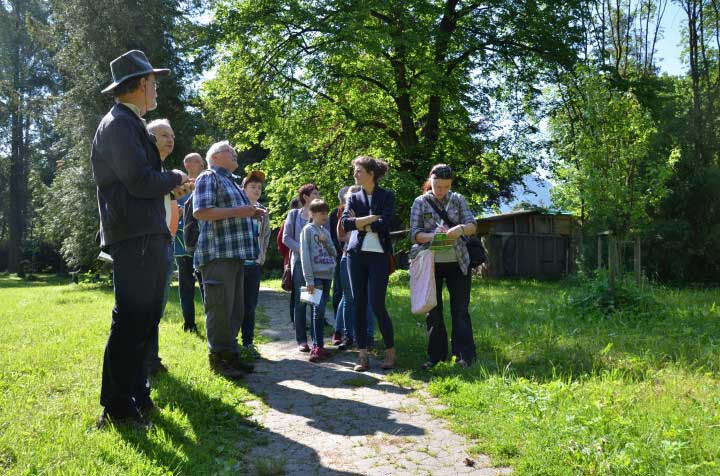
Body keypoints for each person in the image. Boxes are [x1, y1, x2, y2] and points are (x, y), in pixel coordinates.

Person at [91, 50, 190, 428]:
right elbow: (138, 181)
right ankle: (116, 408)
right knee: (131, 319)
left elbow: (142, 182)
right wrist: (175, 179)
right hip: (134, 235)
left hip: (146, 232)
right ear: (141, 85)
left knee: (144, 321)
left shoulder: (129, 123)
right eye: (153, 83)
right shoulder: (118, 123)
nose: (156, 91)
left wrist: (170, 190)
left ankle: (137, 395)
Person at [193, 141, 265, 379]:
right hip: (217, 255)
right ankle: (219, 359)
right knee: (220, 310)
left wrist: (252, 212)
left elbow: (234, 214)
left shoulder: (231, 182)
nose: (235, 154)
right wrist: (240, 211)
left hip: (235, 257)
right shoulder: (208, 176)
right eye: (230, 151)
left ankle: (231, 356)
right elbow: (201, 212)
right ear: (215, 156)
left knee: (234, 310)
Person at [409, 164, 478, 368]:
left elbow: (473, 226)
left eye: (446, 187)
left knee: (460, 311)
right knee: (434, 311)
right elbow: (414, 234)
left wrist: (461, 229)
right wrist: (435, 236)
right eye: (437, 186)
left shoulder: (458, 199)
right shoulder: (420, 202)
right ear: (430, 181)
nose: (441, 191)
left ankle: (464, 356)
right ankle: (436, 357)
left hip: (458, 262)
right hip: (431, 264)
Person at [341, 156, 396, 371]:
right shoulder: (353, 198)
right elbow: (346, 223)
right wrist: (372, 219)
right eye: (355, 171)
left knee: (377, 304)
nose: (355, 174)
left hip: (379, 256)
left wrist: (361, 222)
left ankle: (390, 353)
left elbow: (388, 222)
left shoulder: (387, 196)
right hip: (356, 255)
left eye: (359, 170)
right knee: (359, 303)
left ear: (371, 174)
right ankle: (362, 355)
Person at [146, 118, 179, 375]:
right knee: (145, 305)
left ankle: (150, 359)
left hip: (164, 242)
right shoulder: (146, 168)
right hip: (148, 244)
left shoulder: (161, 169)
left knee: (156, 306)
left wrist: (174, 193)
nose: (170, 140)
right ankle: (144, 362)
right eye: (164, 135)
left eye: (172, 136)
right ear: (149, 138)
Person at [282, 184, 328, 352]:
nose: (318, 195)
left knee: (315, 301)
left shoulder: (321, 215)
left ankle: (317, 341)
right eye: (315, 193)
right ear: (305, 197)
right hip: (300, 263)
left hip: (316, 265)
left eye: (318, 192)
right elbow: (286, 238)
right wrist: (303, 249)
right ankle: (302, 340)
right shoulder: (294, 215)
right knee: (301, 302)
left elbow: (327, 237)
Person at [300, 198, 337, 362]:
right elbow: (305, 256)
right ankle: (316, 347)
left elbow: (334, 252)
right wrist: (309, 280)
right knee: (318, 310)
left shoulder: (325, 231)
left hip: (327, 275)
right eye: (321, 212)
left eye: (326, 212)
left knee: (320, 311)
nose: (325, 215)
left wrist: (326, 240)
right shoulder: (307, 230)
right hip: (315, 276)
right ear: (312, 214)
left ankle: (320, 346)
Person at [240, 170, 271, 359]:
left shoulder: (263, 211)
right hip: (238, 264)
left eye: (259, 187)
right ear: (243, 189)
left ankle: (248, 342)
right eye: (252, 187)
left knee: (250, 305)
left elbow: (266, 236)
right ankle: (231, 343)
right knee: (236, 305)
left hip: (254, 265)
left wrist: (262, 256)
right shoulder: (237, 207)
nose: (256, 190)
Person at [177, 152, 206, 333]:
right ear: (188, 164)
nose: (202, 166)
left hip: (203, 242)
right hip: (182, 242)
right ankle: (189, 324)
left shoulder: (205, 183)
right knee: (186, 283)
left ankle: (212, 321)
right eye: (199, 162)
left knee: (206, 283)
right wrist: (177, 211)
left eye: (202, 163)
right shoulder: (177, 185)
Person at [277, 197, 301, 323]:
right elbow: (281, 241)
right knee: (295, 291)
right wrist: (287, 255)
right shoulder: (289, 220)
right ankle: (295, 320)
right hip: (292, 258)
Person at [329, 186, 347, 345]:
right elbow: (332, 235)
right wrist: (337, 251)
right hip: (338, 255)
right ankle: (338, 327)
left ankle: (349, 329)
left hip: (351, 255)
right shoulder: (334, 213)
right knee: (339, 292)